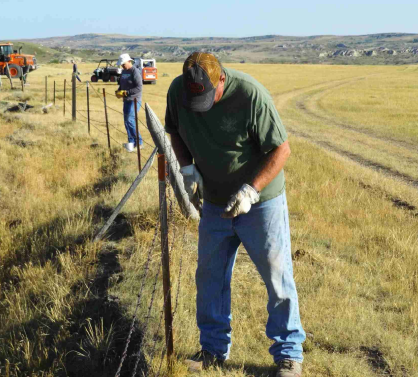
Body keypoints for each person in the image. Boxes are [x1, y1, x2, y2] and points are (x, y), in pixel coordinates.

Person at [165, 52, 306, 377]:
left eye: (207, 97)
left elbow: (280, 149)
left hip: (261, 203)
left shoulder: (250, 94)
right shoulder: (178, 92)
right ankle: (213, 350)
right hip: (214, 202)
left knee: (276, 274)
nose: (199, 104)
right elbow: (174, 129)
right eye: (193, 98)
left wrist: (251, 190)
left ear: (222, 81)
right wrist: (187, 168)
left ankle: (288, 354)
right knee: (210, 276)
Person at [115, 53, 143, 152]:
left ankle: (139, 143)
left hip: (134, 100)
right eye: (121, 64)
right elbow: (121, 84)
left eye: (123, 64)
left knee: (130, 120)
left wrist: (127, 92)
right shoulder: (124, 71)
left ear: (129, 61)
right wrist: (119, 91)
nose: (122, 66)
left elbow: (139, 87)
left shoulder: (135, 71)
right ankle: (131, 143)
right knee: (127, 121)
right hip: (126, 100)